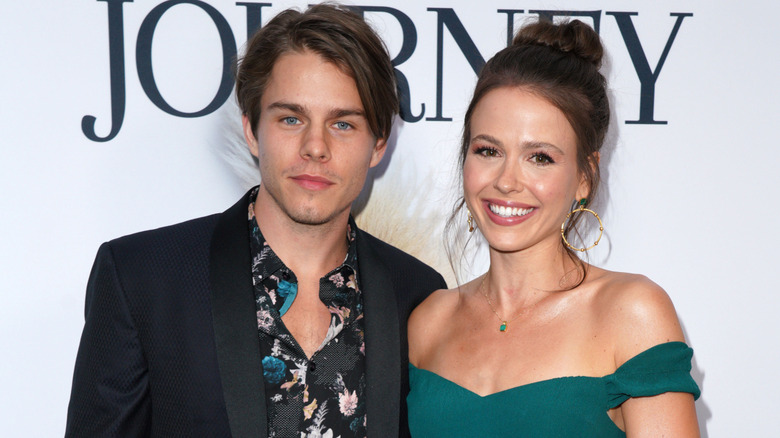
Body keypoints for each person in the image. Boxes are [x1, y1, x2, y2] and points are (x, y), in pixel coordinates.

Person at [65, 4, 446, 437]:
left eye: (342, 124)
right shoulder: (142, 280)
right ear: (251, 129)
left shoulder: (417, 296)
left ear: (378, 144)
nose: (315, 147)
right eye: (290, 118)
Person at [406, 19, 700, 437]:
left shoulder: (631, 313)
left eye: (540, 157)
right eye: (488, 150)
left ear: (584, 176)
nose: (506, 181)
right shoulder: (427, 321)